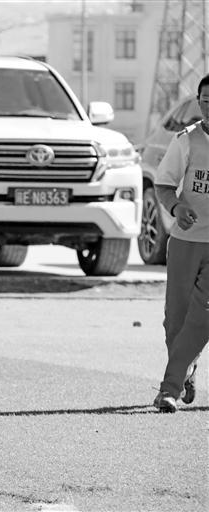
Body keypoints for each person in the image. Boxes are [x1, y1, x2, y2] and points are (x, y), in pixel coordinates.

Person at [152, 73, 209, 413]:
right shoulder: (186, 141)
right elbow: (163, 185)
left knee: (202, 317)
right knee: (176, 321)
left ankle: (168, 390)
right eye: (206, 101)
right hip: (186, 243)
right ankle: (187, 368)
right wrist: (176, 207)